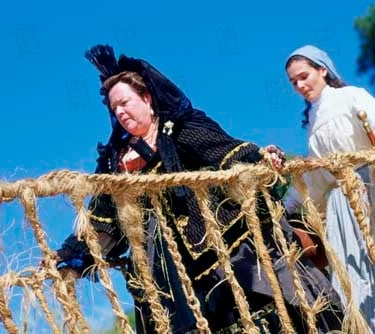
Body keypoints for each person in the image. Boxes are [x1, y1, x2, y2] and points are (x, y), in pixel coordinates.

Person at [56, 44, 343, 333]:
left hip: (214, 248)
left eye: (125, 102)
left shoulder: (179, 129)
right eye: (114, 107)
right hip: (163, 271)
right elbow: (101, 220)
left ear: (146, 97)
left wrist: (260, 159)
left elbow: (227, 151)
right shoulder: (116, 160)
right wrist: (69, 256)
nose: (119, 112)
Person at [284, 44, 375, 331]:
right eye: (293, 81)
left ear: (322, 69)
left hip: (368, 187)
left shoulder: (351, 96)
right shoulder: (311, 122)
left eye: (304, 76)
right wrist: (287, 206)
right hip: (340, 207)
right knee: (354, 275)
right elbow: (317, 176)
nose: (300, 85)